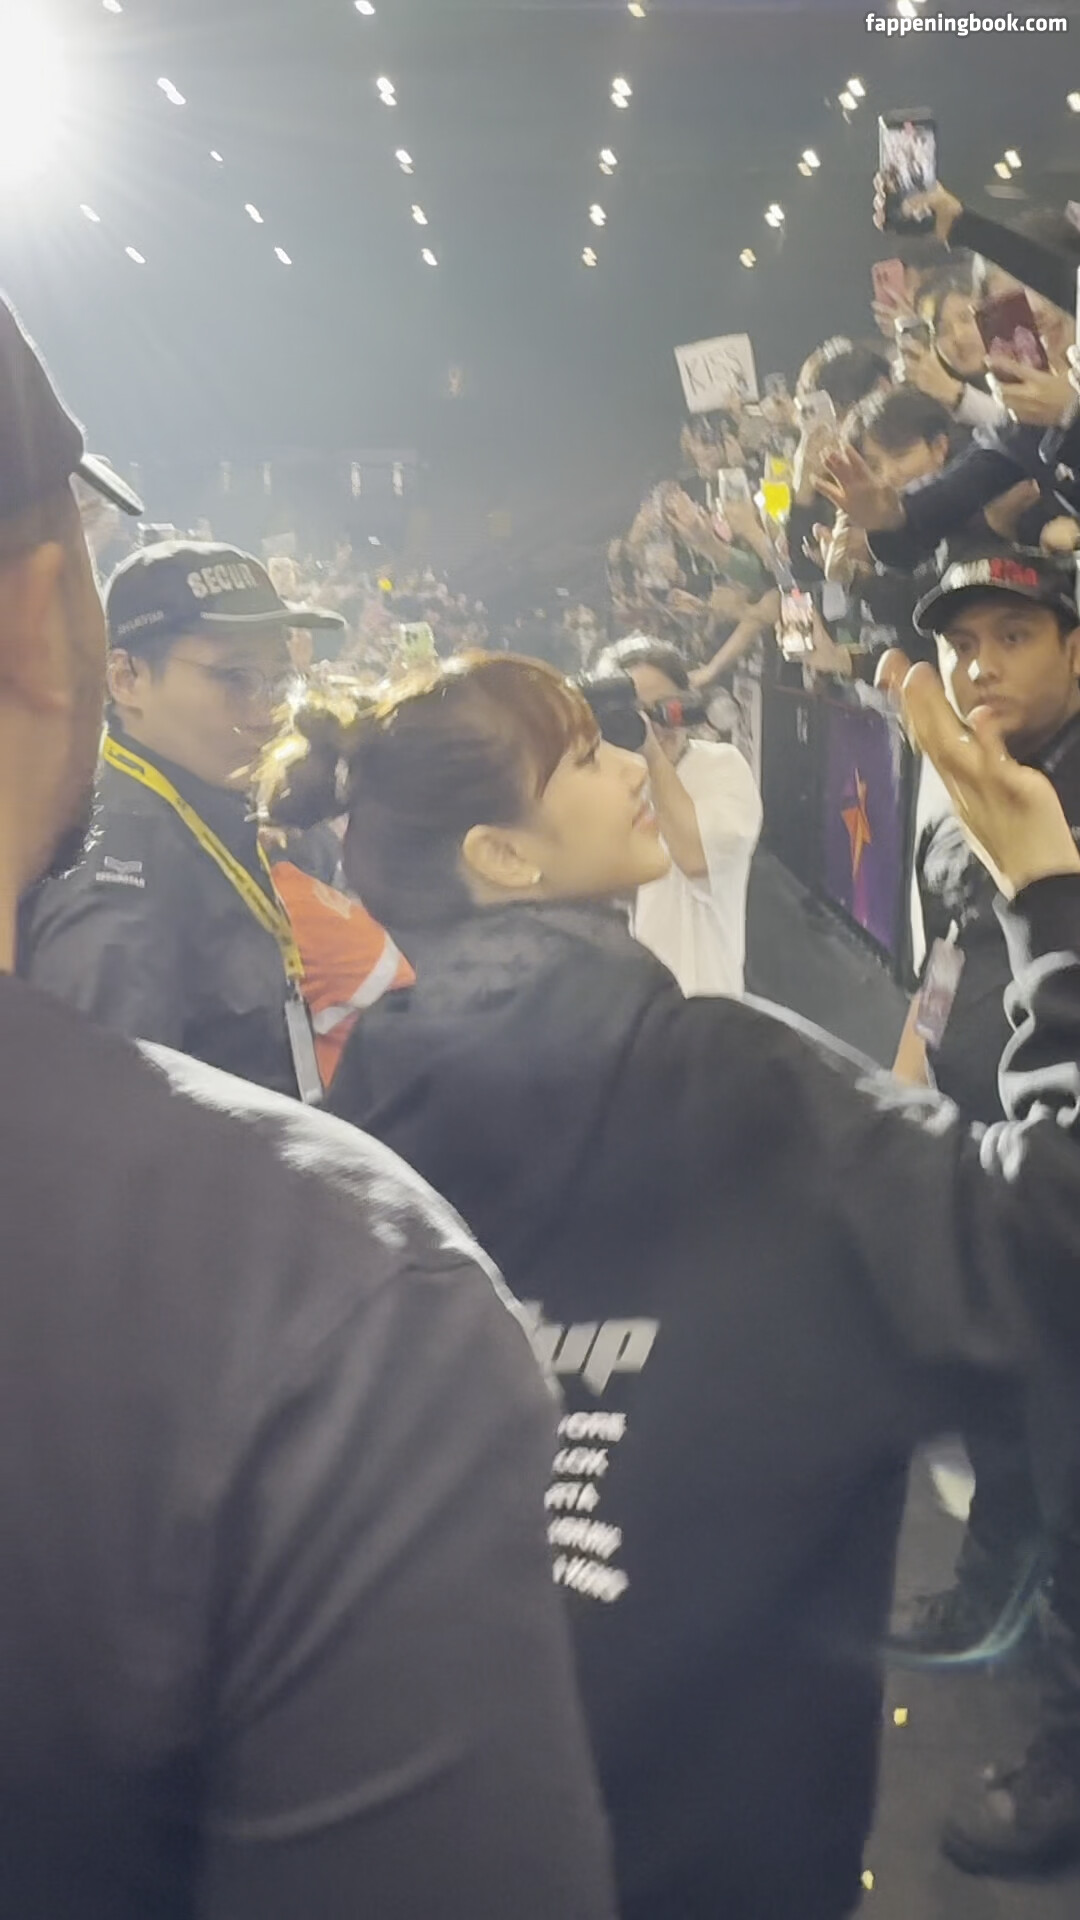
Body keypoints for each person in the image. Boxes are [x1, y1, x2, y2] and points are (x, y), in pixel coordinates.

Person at [257, 646, 1080, 1920]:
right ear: (503, 856)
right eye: (586, 759)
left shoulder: (346, 1133)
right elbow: (1049, 1233)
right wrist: (1049, 901)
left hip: (467, 1824)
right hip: (732, 1841)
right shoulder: (732, 1083)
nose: (633, 768)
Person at [0, 295, 617, 1919]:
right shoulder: (129, 881)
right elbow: (99, 1257)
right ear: (103, 663)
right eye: (232, 672)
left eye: (283, 667)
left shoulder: (193, 819)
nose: (270, 699)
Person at [892, 549, 1080, 1878]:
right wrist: (904, 1078)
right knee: (998, 1414)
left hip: (1067, 1182)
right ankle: (990, 1593)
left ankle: (1067, 1754)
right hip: (985, 1158)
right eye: (963, 643)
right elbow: (947, 962)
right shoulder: (962, 789)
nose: (980, 665)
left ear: (1074, 650)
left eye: (1015, 634)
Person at [20, 538, 346, 1098]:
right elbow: (101, 1107)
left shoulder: (220, 795)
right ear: (126, 678)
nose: (267, 710)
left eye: (279, 680)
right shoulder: (115, 864)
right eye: (236, 678)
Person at [597, 636, 762, 997]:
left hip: (701, 1001)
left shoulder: (722, 766)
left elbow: (696, 857)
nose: (654, 726)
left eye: (665, 709)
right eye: (635, 713)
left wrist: (649, 751)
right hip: (634, 999)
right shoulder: (611, 779)